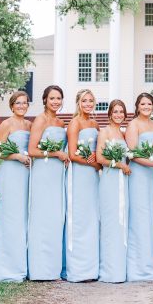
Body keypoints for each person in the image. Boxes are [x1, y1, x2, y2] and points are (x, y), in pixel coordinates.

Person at [0, 91, 32, 283]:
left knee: (24, 216)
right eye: (18, 103)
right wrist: (17, 156)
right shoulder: (6, 124)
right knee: (10, 217)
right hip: (11, 174)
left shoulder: (29, 125)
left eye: (24, 103)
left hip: (27, 175)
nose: (21, 106)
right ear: (12, 106)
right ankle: (3, 266)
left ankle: (23, 263)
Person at [27, 84, 68, 281]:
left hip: (58, 173)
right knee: (42, 217)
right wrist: (56, 153)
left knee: (56, 217)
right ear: (45, 100)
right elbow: (32, 150)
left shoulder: (60, 122)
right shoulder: (40, 120)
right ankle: (40, 268)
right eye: (52, 98)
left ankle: (53, 267)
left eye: (58, 98)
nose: (55, 102)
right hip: (43, 172)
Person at [125, 92, 153, 281]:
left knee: (152, 216)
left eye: (149, 104)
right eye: (143, 104)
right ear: (137, 106)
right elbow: (133, 155)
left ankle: (151, 263)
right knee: (140, 217)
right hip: (139, 175)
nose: (146, 107)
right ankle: (138, 267)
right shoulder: (133, 125)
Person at [65, 88, 100, 282]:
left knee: (92, 217)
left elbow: (99, 149)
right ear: (78, 103)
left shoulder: (95, 123)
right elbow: (72, 154)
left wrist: (99, 158)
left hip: (93, 176)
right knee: (80, 216)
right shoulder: (75, 123)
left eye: (91, 101)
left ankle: (91, 267)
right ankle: (78, 269)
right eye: (84, 101)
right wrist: (94, 163)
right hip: (80, 173)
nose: (88, 104)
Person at [97, 99, 131, 282]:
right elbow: (100, 158)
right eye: (115, 111)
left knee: (121, 220)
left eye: (121, 112)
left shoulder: (123, 133)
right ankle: (110, 270)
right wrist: (120, 165)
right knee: (111, 221)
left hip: (123, 180)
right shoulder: (105, 132)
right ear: (109, 114)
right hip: (111, 179)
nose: (118, 115)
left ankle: (120, 267)